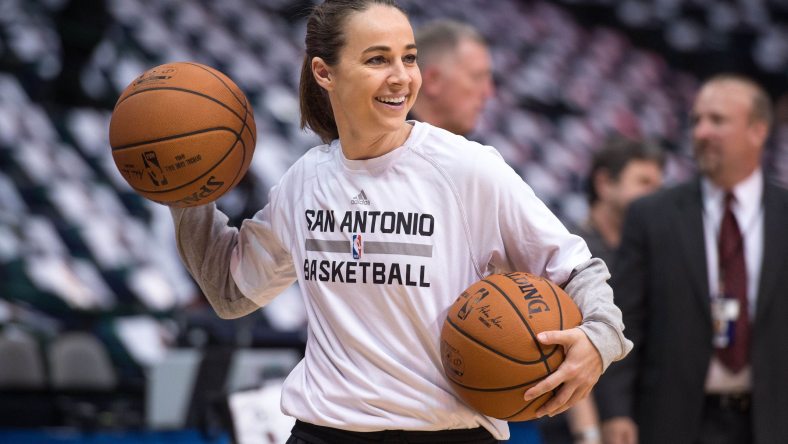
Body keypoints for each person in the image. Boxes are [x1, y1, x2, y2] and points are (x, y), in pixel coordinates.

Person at [169, 0, 632, 442]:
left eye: (408, 59)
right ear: (324, 72)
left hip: (448, 435)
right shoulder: (304, 180)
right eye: (377, 60)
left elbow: (576, 270)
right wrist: (184, 193)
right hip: (325, 433)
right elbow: (232, 293)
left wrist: (600, 338)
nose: (401, 78)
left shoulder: (467, 168)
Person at [595, 74, 788, 444]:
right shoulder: (652, 215)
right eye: (696, 120)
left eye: (717, 120)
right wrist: (616, 410)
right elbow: (625, 319)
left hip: (772, 418)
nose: (701, 132)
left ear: (758, 131)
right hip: (673, 419)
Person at [538, 137, 665, 444]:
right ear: (605, 183)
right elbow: (562, 344)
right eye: (644, 182)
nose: (655, 195)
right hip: (573, 420)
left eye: (658, 186)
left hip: (634, 417)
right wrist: (589, 432)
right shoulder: (567, 251)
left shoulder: (651, 255)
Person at [408, 18, 494, 136]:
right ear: (433, 80)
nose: (488, 93)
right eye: (476, 78)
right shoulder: (378, 144)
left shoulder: (467, 152)